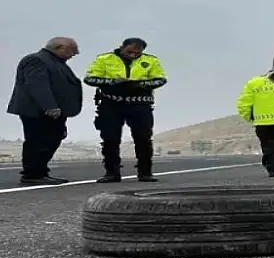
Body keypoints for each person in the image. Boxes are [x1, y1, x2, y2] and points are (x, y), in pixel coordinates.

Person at [83, 38, 168, 183]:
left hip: (140, 105)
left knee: (143, 139)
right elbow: (90, 78)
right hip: (111, 104)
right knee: (110, 139)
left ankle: (145, 172)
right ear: (121, 47)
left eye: (137, 53)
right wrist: (111, 82)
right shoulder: (104, 59)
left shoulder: (151, 61)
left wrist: (139, 85)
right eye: (130, 52)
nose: (133, 55)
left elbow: (160, 79)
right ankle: (112, 173)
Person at [6, 37, 83, 186]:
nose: (76, 53)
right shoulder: (36, 60)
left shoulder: (55, 62)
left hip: (54, 112)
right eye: (73, 50)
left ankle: (40, 172)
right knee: (38, 142)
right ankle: (32, 174)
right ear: (60, 47)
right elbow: (38, 85)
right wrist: (50, 106)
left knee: (51, 139)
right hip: (38, 111)